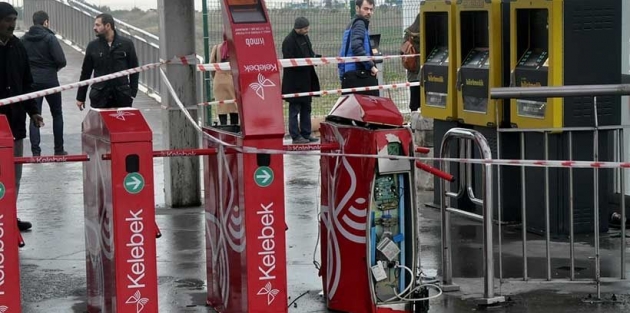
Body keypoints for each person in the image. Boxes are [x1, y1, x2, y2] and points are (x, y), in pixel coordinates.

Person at [0, 3, 45, 232]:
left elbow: (27, 83)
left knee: (13, 175)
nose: (12, 24)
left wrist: (34, 110)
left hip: (15, 123)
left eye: (14, 19)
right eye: (7, 20)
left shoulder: (18, 46)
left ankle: (9, 215)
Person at [22, 10, 68, 156]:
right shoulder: (50, 38)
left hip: (32, 83)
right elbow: (61, 60)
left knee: (35, 115)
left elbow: (20, 62)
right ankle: (59, 150)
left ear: (33, 21)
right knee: (57, 114)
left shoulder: (23, 39)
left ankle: (36, 153)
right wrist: (53, 69)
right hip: (50, 81)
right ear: (46, 22)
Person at [76, 13, 139, 110]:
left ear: (108, 26)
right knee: (100, 125)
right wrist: (80, 97)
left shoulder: (126, 44)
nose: (94, 28)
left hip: (122, 97)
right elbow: (85, 73)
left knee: (121, 124)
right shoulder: (93, 46)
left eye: (97, 25)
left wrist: (132, 93)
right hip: (99, 96)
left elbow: (134, 70)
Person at [282, 17, 320, 144]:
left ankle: (306, 133)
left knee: (307, 107)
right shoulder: (288, 41)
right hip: (294, 82)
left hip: (306, 79)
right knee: (294, 109)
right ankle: (295, 135)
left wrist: (315, 58)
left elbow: (310, 52)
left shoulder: (305, 38)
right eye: (305, 28)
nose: (307, 30)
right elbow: (289, 61)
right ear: (298, 28)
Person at [338, 0, 378, 96]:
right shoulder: (360, 23)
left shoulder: (351, 25)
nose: (369, 12)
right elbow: (356, 46)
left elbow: (343, 52)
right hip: (359, 75)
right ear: (357, 8)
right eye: (366, 8)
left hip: (349, 75)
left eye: (371, 9)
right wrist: (371, 66)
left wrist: (342, 74)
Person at [210, 34, 238, 126]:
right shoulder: (235, 49)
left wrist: (215, 77)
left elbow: (211, 64)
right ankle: (234, 127)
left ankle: (223, 127)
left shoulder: (216, 47)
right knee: (234, 106)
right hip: (232, 80)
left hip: (218, 80)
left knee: (221, 106)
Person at [404, 13, 420, 111]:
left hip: (412, 71)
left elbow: (402, 50)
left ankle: (414, 121)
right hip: (427, 72)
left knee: (414, 99)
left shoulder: (409, 33)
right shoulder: (429, 32)